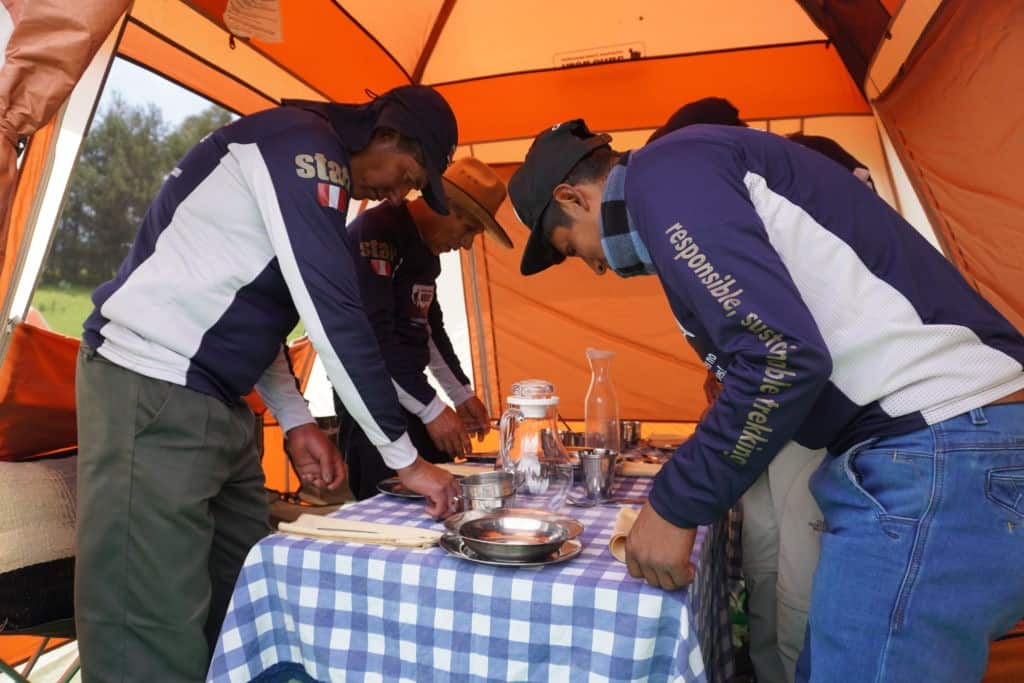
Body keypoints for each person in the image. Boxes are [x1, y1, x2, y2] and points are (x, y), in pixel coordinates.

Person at [508, 118, 1024, 682]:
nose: (598, 265)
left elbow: (779, 356)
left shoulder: (667, 173)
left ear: (572, 197)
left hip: (938, 445)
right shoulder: (687, 179)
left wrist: (677, 503)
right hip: (939, 448)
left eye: (573, 249)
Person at [75, 85, 463, 682]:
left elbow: (262, 302)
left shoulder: (317, 175)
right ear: (386, 135)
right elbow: (333, 308)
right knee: (148, 631)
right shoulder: (300, 145)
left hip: (219, 401)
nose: (400, 192)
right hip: (151, 385)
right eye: (408, 173)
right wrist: (406, 460)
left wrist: (297, 417)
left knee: (246, 605)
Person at [650, 97, 875, 683]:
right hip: (758, 413)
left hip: (815, 406)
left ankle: (800, 668)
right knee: (763, 557)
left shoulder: (808, 163)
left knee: (801, 571)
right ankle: (767, 669)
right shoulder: (719, 200)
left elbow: (796, 332)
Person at [336, 157, 512, 499]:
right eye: (469, 229)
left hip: (408, 395)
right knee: (388, 506)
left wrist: (461, 394)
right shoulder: (376, 234)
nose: (466, 244)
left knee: (445, 492)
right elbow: (373, 343)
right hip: (370, 403)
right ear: (443, 206)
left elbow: (427, 325)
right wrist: (433, 409)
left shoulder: (425, 252)